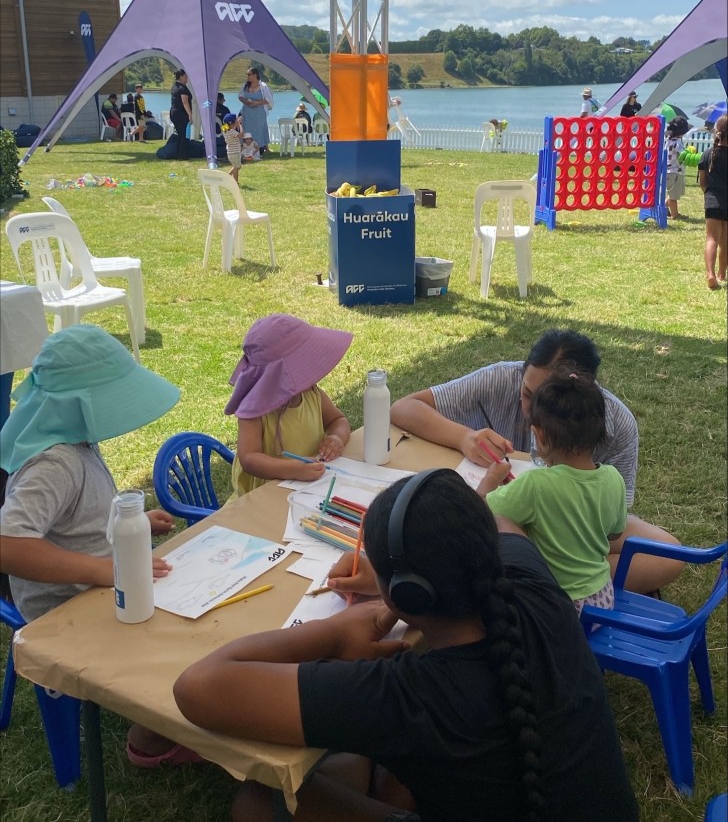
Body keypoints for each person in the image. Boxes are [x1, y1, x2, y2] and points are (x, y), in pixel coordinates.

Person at [174, 469, 640, 822]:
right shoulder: (536, 592)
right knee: (362, 762)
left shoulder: (408, 696)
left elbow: (198, 686)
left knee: (258, 801)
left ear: (409, 594)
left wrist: (337, 632)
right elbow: (498, 521)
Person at [0, 325, 203, 767]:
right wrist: (100, 570)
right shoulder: (54, 462)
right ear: (78, 405)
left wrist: (132, 524)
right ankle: (161, 728)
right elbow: (8, 546)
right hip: (63, 610)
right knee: (177, 630)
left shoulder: (76, 443)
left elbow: (80, 519)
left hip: (100, 583)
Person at [389, 329, 684, 594]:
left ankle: (552, 578)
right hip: (525, 525)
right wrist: (464, 437)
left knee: (669, 555)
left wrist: (557, 533)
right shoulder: (500, 379)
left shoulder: (618, 423)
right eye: (527, 393)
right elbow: (404, 407)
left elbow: (606, 526)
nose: (530, 412)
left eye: (544, 402)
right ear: (522, 372)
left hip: (575, 528)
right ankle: (573, 580)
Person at [478, 368, 627, 614]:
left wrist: (489, 481)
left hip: (558, 607)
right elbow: (615, 533)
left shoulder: (536, 484)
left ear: (540, 436)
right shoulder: (613, 477)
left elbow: (481, 512)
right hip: (602, 600)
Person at [225, 314, 352, 498]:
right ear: (277, 375)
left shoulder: (311, 394)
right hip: (264, 498)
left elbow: (338, 420)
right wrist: (291, 469)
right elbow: (249, 458)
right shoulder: (253, 412)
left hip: (310, 489)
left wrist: (336, 437)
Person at [698, 113, 728, 290]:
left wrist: (708, 194)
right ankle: (722, 273)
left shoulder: (708, 153)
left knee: (711, 239)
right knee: (726, 242)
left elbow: (703, 182)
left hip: (712, 201)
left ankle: (710, 274)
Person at [239, 67, 273, 155]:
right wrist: (246, 102)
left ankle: (260, 148)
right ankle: (246, 148)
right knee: (247, 129)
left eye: (249, 74)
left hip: (259, 112)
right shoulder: (245, 85)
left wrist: (256, 103)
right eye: (247, 74)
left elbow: (268, 99)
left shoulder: (263, 86)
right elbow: (240, 96)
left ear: (255, 75)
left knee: (260, 129)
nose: (248, 76)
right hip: (247, 112)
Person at [666, 116, 689, 220]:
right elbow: (682, 156)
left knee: (671, 192)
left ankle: (664, 207)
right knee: (673, 196)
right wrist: (689, 154)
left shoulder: (669, 141)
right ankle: (675, 215)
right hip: (675, 171)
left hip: (669, 170)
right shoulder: (677, 143)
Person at [170, 69, 193, 160]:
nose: (187, 78)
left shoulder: (175, 86)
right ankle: (183, 154)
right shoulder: (182, 88)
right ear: (181, 76)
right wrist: (190, 114)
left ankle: (180, 153)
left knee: (181, 134)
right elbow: (185, 101)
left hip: (175, 112)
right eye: (186, 76)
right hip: (180, 114)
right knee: (183, 134)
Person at [221, 112, 244, 182]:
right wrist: (240, 125)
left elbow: (226, 126)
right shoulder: (232, 132)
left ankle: (226, 176)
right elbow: (241, 135)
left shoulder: (225, 130)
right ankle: (235, 182)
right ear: (231, 123)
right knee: (236, 167)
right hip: (235, 153)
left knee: (237, 166)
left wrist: (236, 123)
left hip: (231, 153)